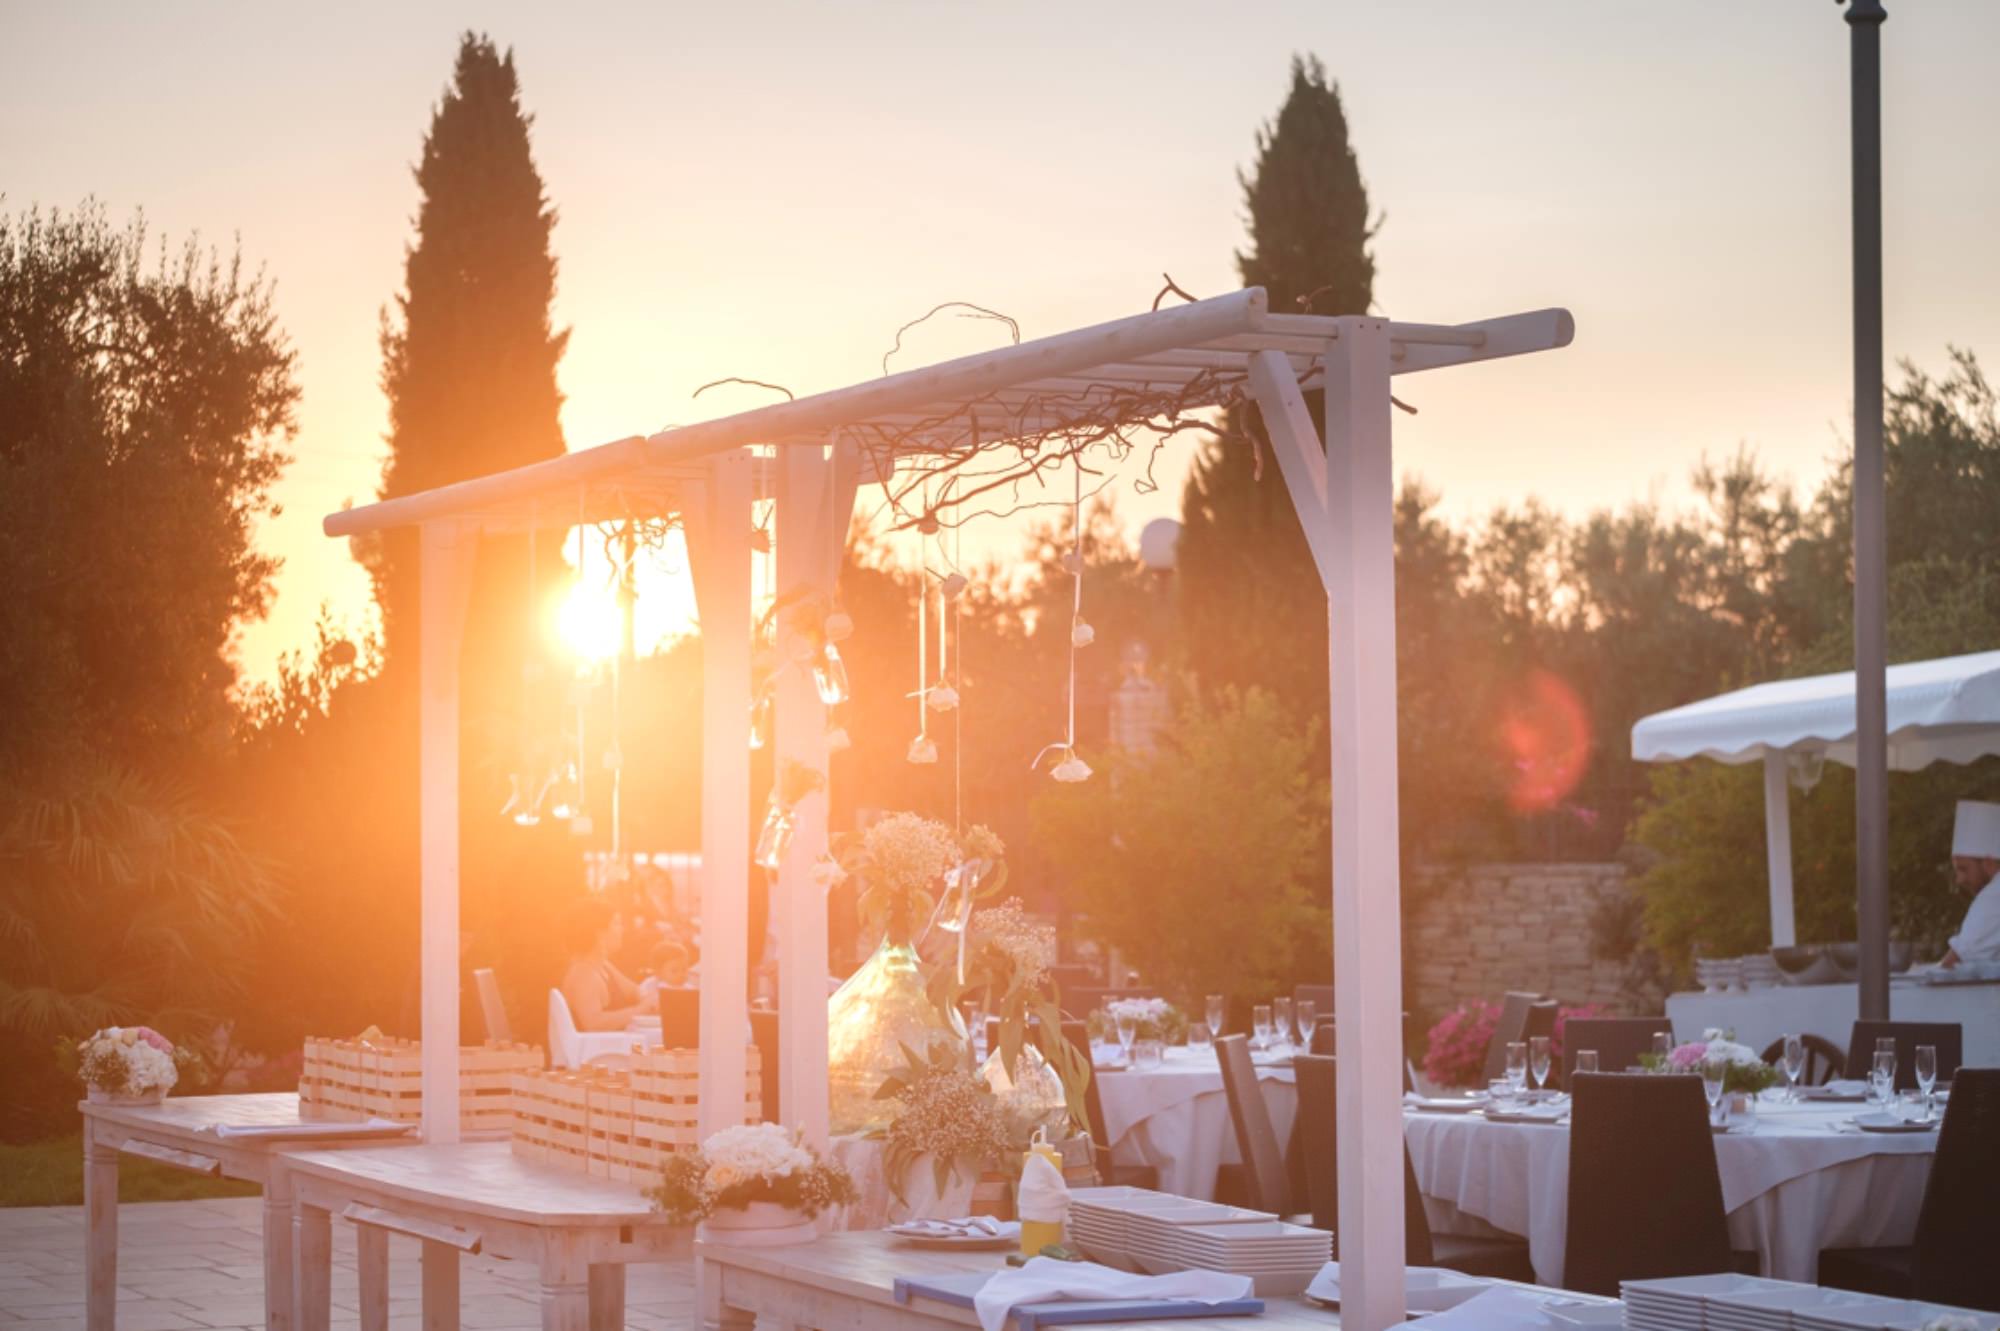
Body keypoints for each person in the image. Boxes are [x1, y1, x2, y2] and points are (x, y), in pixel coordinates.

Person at [560, 898, 655, 1030]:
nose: (622, 929)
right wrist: (642, 1009)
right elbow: (594, 1023)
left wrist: (649, 999)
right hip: (597, 1050)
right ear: (599, 933)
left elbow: (634, 991)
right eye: (616, 923)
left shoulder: (603, 965)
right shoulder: (583, 974)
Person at [1941, 799, 2000, 968]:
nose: (1959, 880)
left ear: (1988, 863)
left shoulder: (1994, 896)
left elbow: (1953, 962)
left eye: (1964, 869)